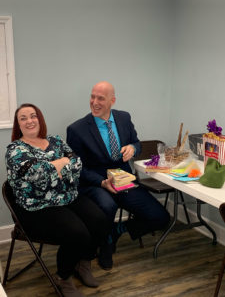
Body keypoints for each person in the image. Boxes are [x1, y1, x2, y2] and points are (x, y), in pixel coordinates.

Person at [5, 103, 110, 297]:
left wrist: (54, 169)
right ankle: (63, 276)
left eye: (33, 116)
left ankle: (83, 263)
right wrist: (61, 164)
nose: (29, 121)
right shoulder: (15, 150)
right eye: (23, 118)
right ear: (18, 125)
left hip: (67, 197)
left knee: (100, 221)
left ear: (40, 119)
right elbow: (36, 175)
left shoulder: (55, 140)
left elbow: (77, 163)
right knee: (78, 234)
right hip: (36, 206)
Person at [66, 81, 170, 270]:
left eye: (101, 98)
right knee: (108, 206)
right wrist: (102, 182)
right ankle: (105, 244)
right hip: (96, 183)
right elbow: (77, 168)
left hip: (124, 180)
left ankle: (117, 230)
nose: (94, 102)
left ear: (112, 100)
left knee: (161, 217)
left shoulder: (123, 118)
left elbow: (136, 143)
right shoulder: (76, 129)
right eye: (92, 96)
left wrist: (132, 148)